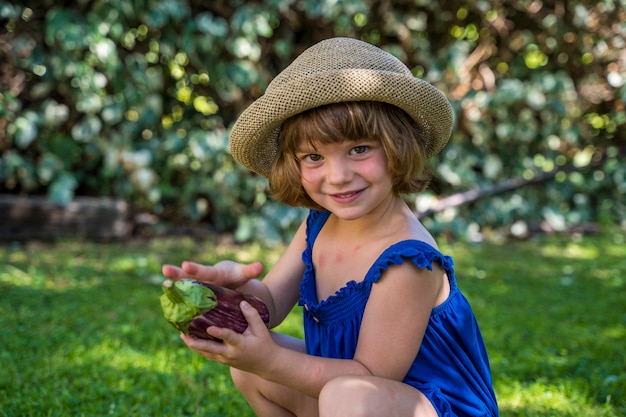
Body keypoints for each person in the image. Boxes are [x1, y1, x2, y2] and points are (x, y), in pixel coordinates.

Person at [162, 37, 499, 417]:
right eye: (313, 157)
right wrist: (232, 293)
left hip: (425, 405)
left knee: (343, 394)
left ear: (399, 146)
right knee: (252, 371)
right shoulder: (318, 226)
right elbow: (270, 303)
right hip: (353, 397)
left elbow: (371, 375)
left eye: (359, 149)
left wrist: (270, 360)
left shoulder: (408, 261)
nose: (337, 176)